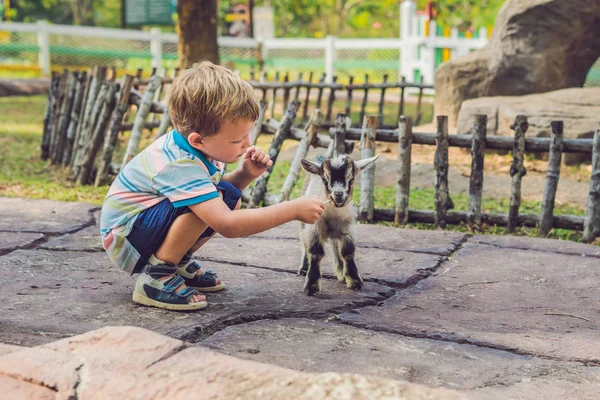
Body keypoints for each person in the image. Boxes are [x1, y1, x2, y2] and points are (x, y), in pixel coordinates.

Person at [100, 61, 325, 311]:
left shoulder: (198, 148)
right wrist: (293, 209)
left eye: (248, 135)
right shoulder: (179, 165)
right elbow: (227, 224)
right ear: (198, 140)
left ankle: (176, 261)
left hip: (142, 228)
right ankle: (156, 276)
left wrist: (243, 175)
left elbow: (217, 194)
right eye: (237, 139)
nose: (247, 144)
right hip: (126, 239)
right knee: (206, 205)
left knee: (228, 195)